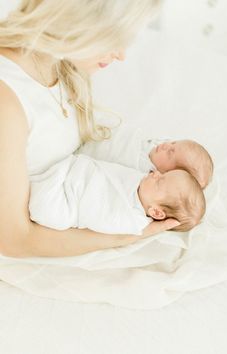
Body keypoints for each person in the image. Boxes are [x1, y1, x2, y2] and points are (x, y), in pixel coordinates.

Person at [0, 0, 180, 258]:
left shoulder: (58, 64)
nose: (121, 55)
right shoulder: (6, 99)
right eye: (112, 39)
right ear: (79, 23)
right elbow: (14, 241)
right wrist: (129, 234)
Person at [29, 153, 205, 235]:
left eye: (160, 181)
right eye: (163, 174)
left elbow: (98, 216)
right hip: (78, 171)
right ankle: (54, 173)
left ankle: (45, 181)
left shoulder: (132, 221)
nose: (156, 174)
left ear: (156, 212)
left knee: (53, 216)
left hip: (74, 201)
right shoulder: (142, 182)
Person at [79, 130, 214, 189]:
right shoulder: (157, 146)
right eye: (173, 143)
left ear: (168, 174)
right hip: (101, 132)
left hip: (89, 151)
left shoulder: (144, 175)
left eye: (170, 152)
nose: (166, 145)